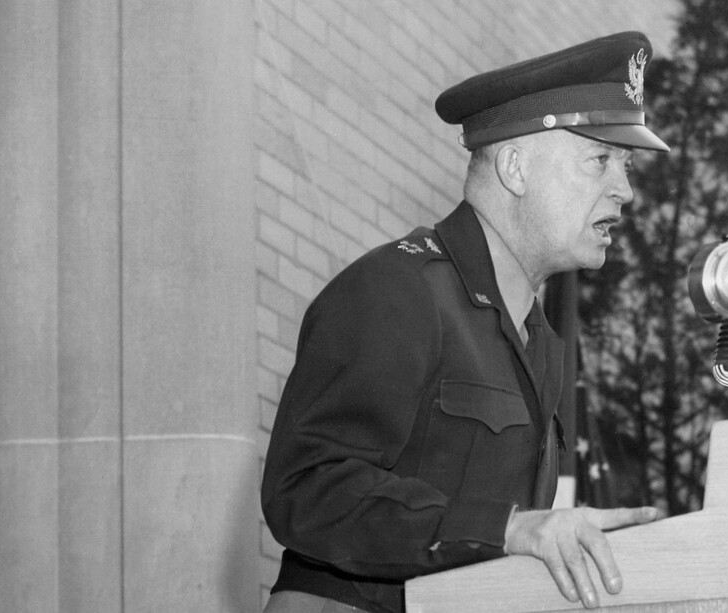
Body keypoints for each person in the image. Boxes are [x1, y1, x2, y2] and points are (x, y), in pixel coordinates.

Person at [261, 31, 671, 613]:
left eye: (625, 166)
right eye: (600, 160)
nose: (624, 190)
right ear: (515, 168)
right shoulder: (397, 292)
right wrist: (506, 529)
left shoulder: (538, 340)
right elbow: (304, 489)